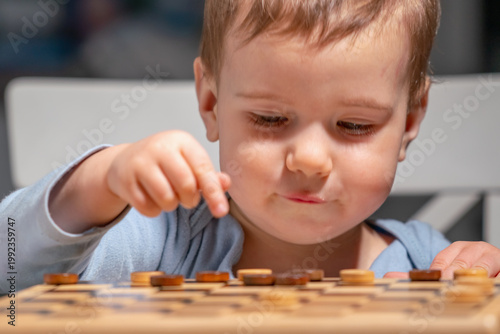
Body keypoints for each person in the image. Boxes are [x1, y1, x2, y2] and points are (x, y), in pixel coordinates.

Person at [1, 0, 499, 294]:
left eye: (352, 124)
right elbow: (11, 270)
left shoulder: (430, 266)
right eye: (270, 118)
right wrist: (99, 180)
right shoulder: (161, 248)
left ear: (410, 122)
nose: (308, 159)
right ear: (212, 102)